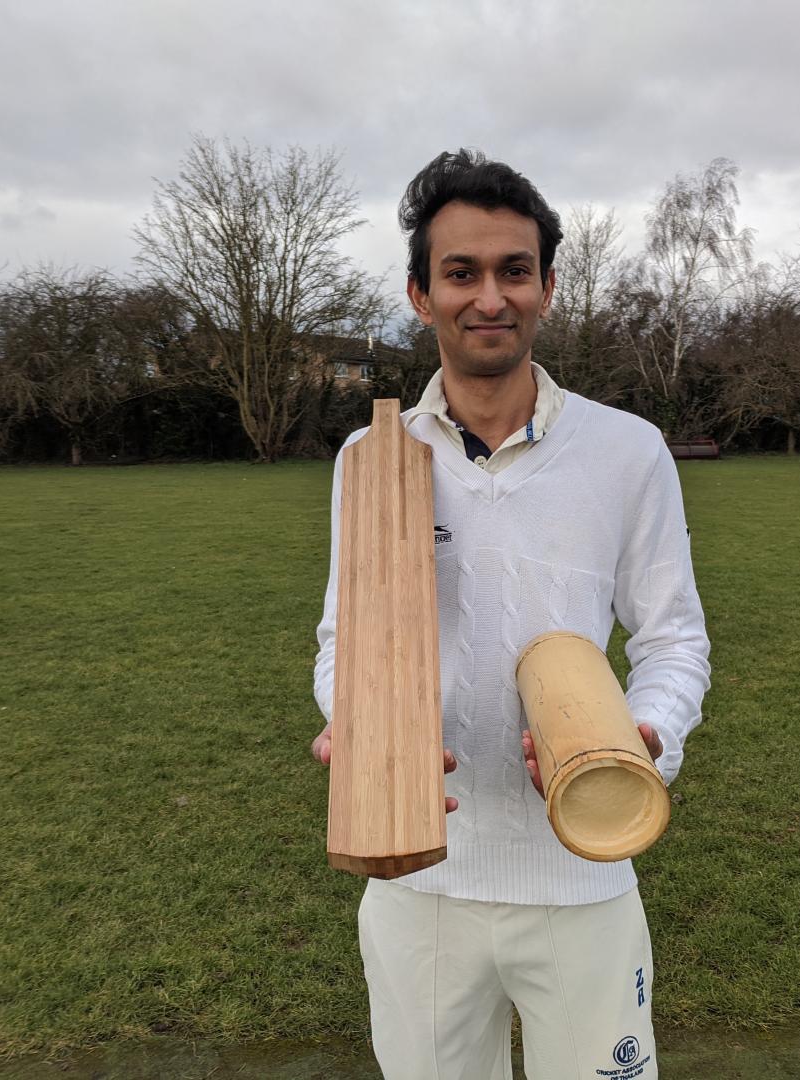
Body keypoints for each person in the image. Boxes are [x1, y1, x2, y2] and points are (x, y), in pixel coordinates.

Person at [311, 149, 710, 1080]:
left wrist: (645, 736)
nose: (489, 296)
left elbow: (672, 637)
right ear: (420, 294)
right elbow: (343, 642)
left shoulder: (627, 450)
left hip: (582, 867)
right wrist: (359, 723)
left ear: (547, 288)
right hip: (420, 878)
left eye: (513, 271)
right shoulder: (371, 458)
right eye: (461, 273)